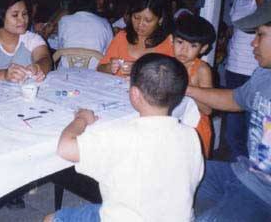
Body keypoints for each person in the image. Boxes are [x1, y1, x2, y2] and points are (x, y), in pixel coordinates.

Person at [44, 53, 204, 222]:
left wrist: (81, 119)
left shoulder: (119, 136)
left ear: (134, 93)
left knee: (51, 219)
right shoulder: (191, 135)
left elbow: (65, 148)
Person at [189, 0, 271, 221]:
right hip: (244, 173)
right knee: (179, 170)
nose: (253, 43)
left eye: (260, 35)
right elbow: (235, 99)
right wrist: (188, 89)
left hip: (264, 195)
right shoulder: (264, 75)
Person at [224, 0, 271, 160]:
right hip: (235, 64)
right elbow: (236, 23)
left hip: (258, 70)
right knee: (234, 133)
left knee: (259, 134)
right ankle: (240, 172)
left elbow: (266, 17)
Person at [97, 0, 174, 78]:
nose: (140, 24)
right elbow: (100, 68)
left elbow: (170, 79)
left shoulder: (168, 43)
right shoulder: (122, 37)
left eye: (148, 20)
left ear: (160, 20)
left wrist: (139, 70)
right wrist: (109, 68)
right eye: (136, 18)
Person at [173, 14, 216, 158]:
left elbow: (208, 109)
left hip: (195, 127)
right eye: (180, 42)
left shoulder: (201, 70)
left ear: (203, 48)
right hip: (174, 123)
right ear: (171, 41)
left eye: (193, 45)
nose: (184, 50)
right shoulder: (169, 63)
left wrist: (186, 89)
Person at [57, 0, 113, 69]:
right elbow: (110, 51)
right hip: (95, 74)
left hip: (65, 72)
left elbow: (60, 47)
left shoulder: (64, 21)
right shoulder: (104, 23)